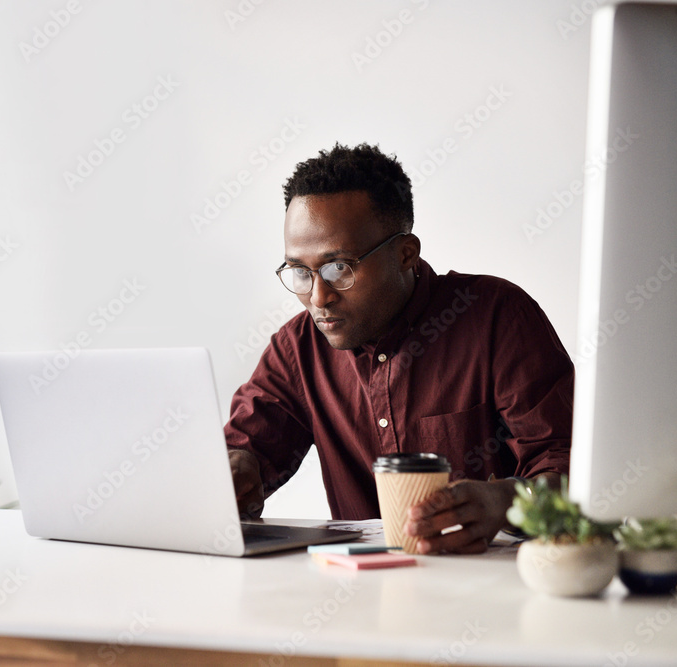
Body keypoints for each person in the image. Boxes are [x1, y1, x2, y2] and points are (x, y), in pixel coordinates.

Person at [226, 143, 573, 555]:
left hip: (495, 591)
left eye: (339, 268)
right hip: (359, 598)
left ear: (405, 254)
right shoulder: (297, 350)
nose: (318, 297)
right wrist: (237, 472)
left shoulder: (496, 317)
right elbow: (245, 451)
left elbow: (572, 466)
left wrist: (508, 501)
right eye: (300, 272)